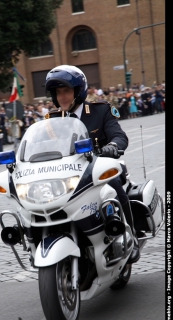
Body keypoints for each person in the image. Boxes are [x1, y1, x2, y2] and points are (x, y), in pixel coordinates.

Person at [45, 64, 140, 264]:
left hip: (98, 169)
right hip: (67, 174)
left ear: (78, 92)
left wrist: (113, 146)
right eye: (58, 92)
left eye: (66, 91)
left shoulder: (100, 110)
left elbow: (119, 135)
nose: (62, 97)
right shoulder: (51, 121)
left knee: (115, 188)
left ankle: (130, 237)